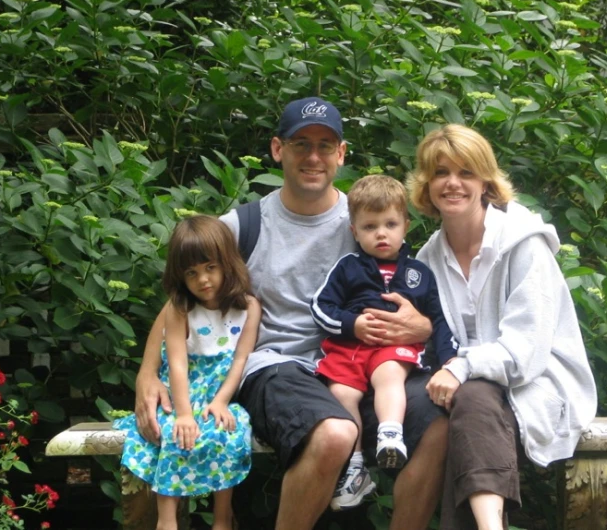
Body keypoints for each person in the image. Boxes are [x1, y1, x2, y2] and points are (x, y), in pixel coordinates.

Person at [134, 97, 448, 530]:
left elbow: (416, 291)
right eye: (301, 144)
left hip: (360, 367)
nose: (313, 156)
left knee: (436, 424)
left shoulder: (367, 218)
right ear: (278, 149)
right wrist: (147, 374)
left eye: (325, 145)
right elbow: (180, 299)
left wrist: (424, 326)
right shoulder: (243, 225)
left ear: (341, 153)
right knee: (335, 433)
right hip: (276, 367)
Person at [407, 124, 597, 530]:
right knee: (450, 412)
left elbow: (525, 352)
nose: (452, 183)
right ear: (426, 183)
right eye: (440, 172)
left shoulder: (523, 244)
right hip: (465, 394)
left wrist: (460, 367)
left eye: (466, 173)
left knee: (471, 399)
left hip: (537, 381)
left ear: (486, 182)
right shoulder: (425, 260)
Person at [311, 175, 457, 508]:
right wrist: (352, 324)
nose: (381, 233)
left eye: (390, 224)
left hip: (392, 349)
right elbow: (321, 307)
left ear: (406, 225)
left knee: (389, 372)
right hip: (350, 348)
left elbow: (439, 319)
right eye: (370, 226)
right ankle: (355, 466)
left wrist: (450, 360)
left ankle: (390, 435)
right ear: (354, 231)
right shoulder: (347, 267)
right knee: (341, 393)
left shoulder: (419, 272)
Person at [114, 215, 261, 530]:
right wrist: (183, 414)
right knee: (171, 432)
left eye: (210, 268)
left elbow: (240, 360)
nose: (203, 280)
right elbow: (177, 363)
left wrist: (221, 401)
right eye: (191, 273)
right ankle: (167, 520)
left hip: (219, 391)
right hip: (182, 390)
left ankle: (222, 518)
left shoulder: (248, 307)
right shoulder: (179, 308)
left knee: (229, 431)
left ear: (226, 263)